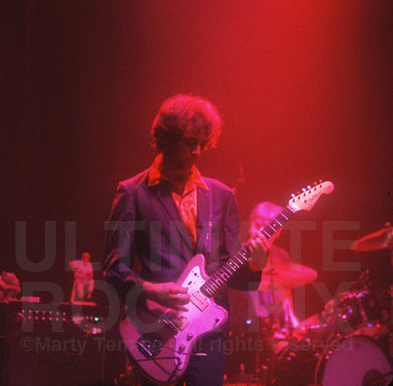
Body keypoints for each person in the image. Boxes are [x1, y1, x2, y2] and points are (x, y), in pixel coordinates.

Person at [103, 94, 270, 386]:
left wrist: (257, 263)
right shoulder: (133, 192)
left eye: (202, 144)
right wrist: (152, 290)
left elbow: (235, 274)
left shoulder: (221, 195)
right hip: (157, 327)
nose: (197, 151)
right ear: (165, 139)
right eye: (190, 142)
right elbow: (114, 269)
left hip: (209, 330)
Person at [248, 201, 300, 336]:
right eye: (258, 225)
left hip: (276, 328)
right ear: (249, 225)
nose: (261, 232)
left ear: (278, 232)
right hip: (248, 327)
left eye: (267, 228)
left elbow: (286, 290)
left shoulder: (281, 255)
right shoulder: (237, 253)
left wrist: (292, 317)